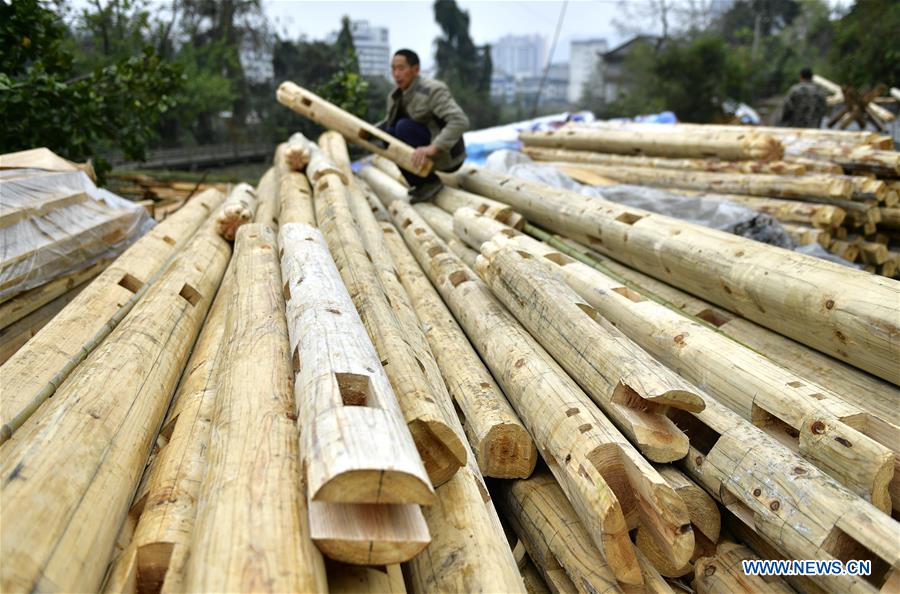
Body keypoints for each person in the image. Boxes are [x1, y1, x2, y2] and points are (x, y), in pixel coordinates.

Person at [376, 49, 469, 203]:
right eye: (393, 68)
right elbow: (388, 124)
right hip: (423, 150)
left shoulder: (432, 90)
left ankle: (429, 182)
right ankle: (422, 183)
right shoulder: (395, 96)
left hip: (447, 156)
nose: (396, 74)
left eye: (401, 68)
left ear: (415, 69)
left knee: (402, 127)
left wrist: (433, 148)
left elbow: (460, 121)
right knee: (389, 133)